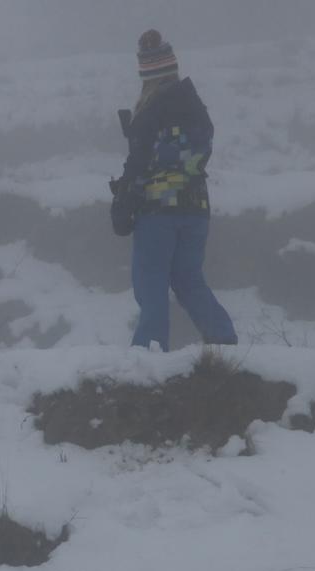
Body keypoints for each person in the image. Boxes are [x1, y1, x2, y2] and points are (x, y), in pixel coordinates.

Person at [111, 30, 237, 351]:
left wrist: (124, 200)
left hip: (158, 211)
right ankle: (223, 339)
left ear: (147, 74)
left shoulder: (150, 112)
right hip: (196, 209)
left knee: (150, 281)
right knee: (188, 280)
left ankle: (149, 351)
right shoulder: (197, 108)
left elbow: (139, 163)